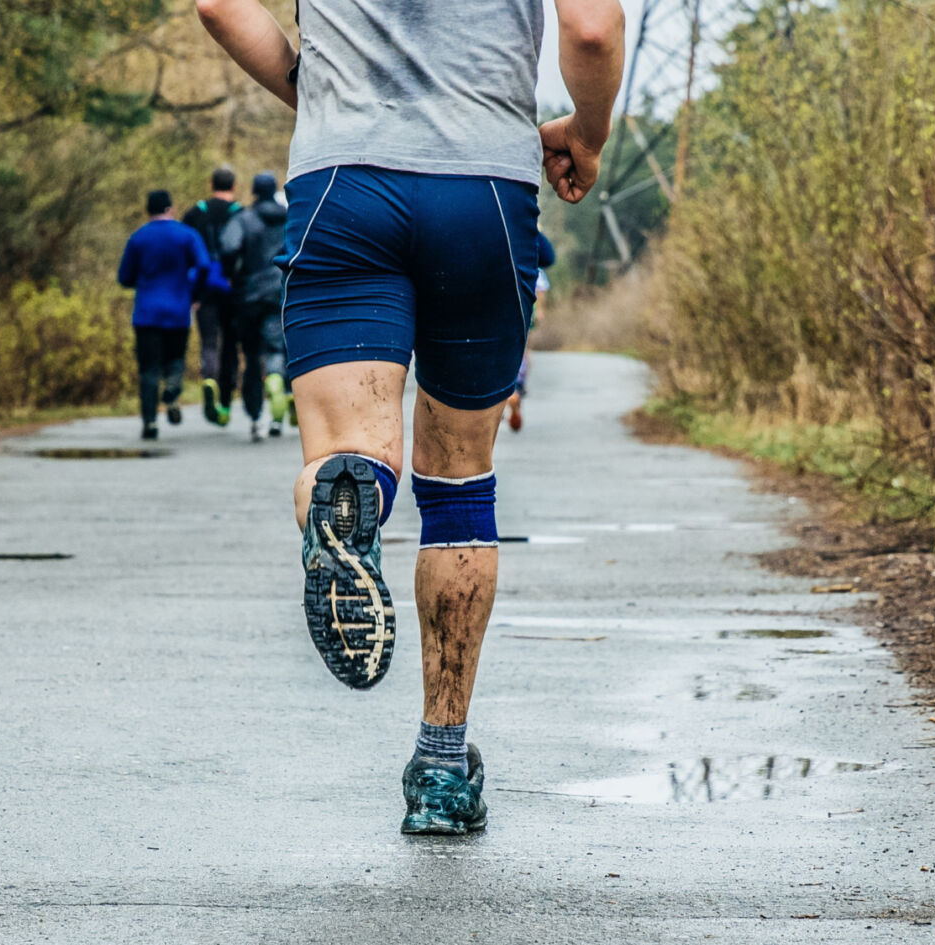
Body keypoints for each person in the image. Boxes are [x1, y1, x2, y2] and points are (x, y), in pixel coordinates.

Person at [196, 0, 624, 834]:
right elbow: (591, 29)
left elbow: (218, 5)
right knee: (460, 482)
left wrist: (324, 94)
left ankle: (348, 497)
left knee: (349, 451)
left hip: (342, 185)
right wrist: (588, 132)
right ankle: (441, 766)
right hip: (484, 188)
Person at [118, 189, 210, 439]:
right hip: (178, 309)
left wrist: (143, 280)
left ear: (148, 211)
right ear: (171, 209)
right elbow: (204, 264)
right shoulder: (187, 235)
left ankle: (150, 422)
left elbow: (124, 277)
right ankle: (172, 390)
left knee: (149, 369)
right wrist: (195, 292)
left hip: (146, 312)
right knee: (175, 358)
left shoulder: (138, 237)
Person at [220, 171, 294, 441]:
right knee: (275, 348)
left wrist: (232, 272)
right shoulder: (290, 218)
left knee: (251, 357)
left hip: (248, 295)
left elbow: (229, 247)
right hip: (279, 291)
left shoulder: (244, 219)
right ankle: (276, 380)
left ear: (253, 191)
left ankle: (255, 418)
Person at [181, 166, 242, 427]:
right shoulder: (240, 213)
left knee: (209, 341)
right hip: (232, 288)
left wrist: (190, 289)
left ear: (211, 184)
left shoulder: (195, 213)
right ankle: (226, 402)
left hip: (204, 287)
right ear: (234, 186)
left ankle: (208, 378)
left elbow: (184, 249)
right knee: (230, 345)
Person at [506, 229, 557, 433]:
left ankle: (503, 391)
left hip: (502, 301)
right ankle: (517, 386)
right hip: (526, 305)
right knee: (524, 348)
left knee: (504, 347)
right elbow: (543, 281)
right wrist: (541, 309)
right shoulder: (531, 247)